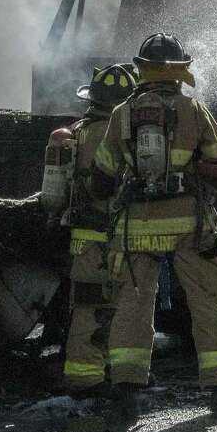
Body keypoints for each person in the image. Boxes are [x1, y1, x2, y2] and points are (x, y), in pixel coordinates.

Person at [90, 32, 217, 420]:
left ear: (142, 69)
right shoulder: (194, 110)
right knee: (209, 300)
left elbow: (101, 178)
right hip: (191, 224)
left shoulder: (121, 114)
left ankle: (126, 393)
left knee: (133, 307)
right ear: (179, 71)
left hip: (135, 227)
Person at [47, 64, 136, 395]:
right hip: (106, 234)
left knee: (97, 306)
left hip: (85, 236)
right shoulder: (111, 134)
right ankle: (85, 380)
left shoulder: (78, 130)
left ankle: (101, 373)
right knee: (97, 307)